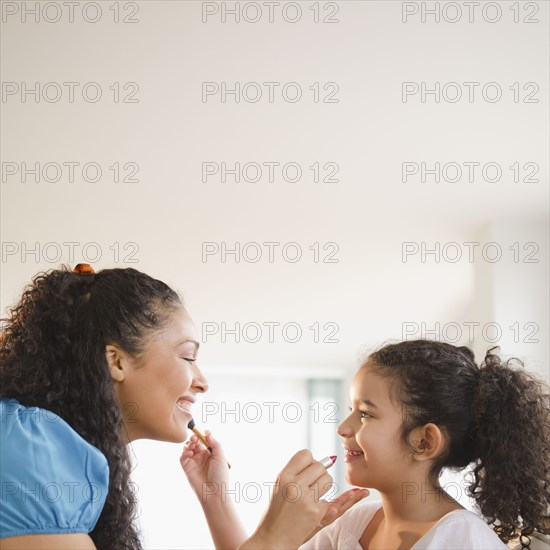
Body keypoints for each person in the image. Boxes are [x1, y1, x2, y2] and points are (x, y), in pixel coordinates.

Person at [0, 265, 368, 550]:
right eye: (188, 356)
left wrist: (217, 502)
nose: (202, 381)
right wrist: (274, 537)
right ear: (116, 361)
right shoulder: (29, 449)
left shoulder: (58, 450)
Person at [299, 340, 550, 549]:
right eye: (352, 409)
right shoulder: (354, 524)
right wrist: (288, 535)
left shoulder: (463, 538)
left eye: (365, 414)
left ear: (424, 442)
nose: (342, 428)